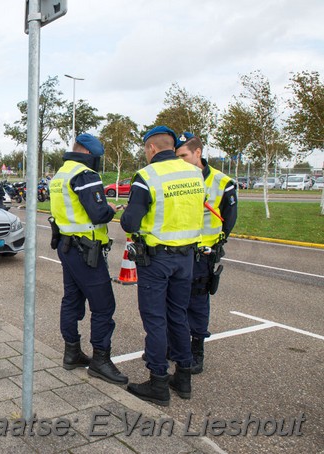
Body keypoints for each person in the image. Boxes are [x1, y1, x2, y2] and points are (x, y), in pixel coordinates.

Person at [120, 126, 205, 406]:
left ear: (151, 148)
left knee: (155, 319)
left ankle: (158, 381)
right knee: (178, 315)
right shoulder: (195, 173)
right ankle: (184, 377)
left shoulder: (147, 176)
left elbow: (131, 223)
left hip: (157, 260)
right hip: (187, 257)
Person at [49, 133, 128, 385]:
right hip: (86, 250)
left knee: (72, 298)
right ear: (89, 154)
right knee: (103, 305)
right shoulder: (85, 175)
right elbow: (97, 213)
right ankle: (100, 361)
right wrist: (110, 209)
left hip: (68, 245)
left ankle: (71, 353)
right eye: (98, 158)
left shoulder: (60, 174)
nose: (98, 163)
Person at [175, 132, 237, 374]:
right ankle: (175, 345)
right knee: (175, 299)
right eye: (177, 156)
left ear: (198, 153)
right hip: (178, 251)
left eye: (184, 155)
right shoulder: (176, 178)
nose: (180, 160)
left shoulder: (222, 183)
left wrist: (216, 245)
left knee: (197, 301)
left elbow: (228, 220)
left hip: (202, 254)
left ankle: (197, 350)